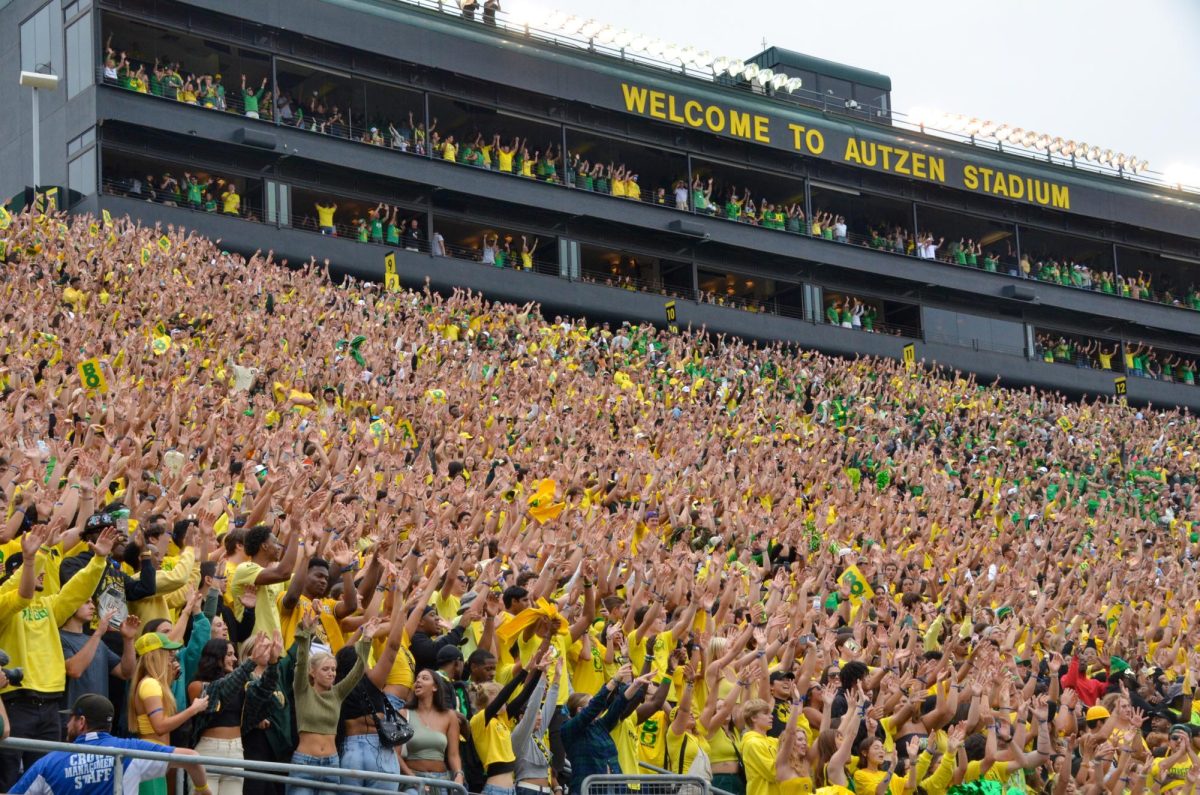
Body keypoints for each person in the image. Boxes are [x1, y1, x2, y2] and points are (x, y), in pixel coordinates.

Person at [11, 695, 210, 795]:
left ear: (81, 722)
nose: (66, 724)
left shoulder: (49, 762)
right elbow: (192, 758)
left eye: (70, 719)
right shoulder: (131, 749)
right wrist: (202, 789)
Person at [290, 614, 374, 795]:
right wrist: (306, 634)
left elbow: (358, 671)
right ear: (312, 672)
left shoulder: (337, 693)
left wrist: (366, 639)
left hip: (331, 763)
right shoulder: (302, 690)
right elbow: (301, 662)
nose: (331, 673)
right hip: (305, 763)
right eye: (325, 669)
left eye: (334, 669)